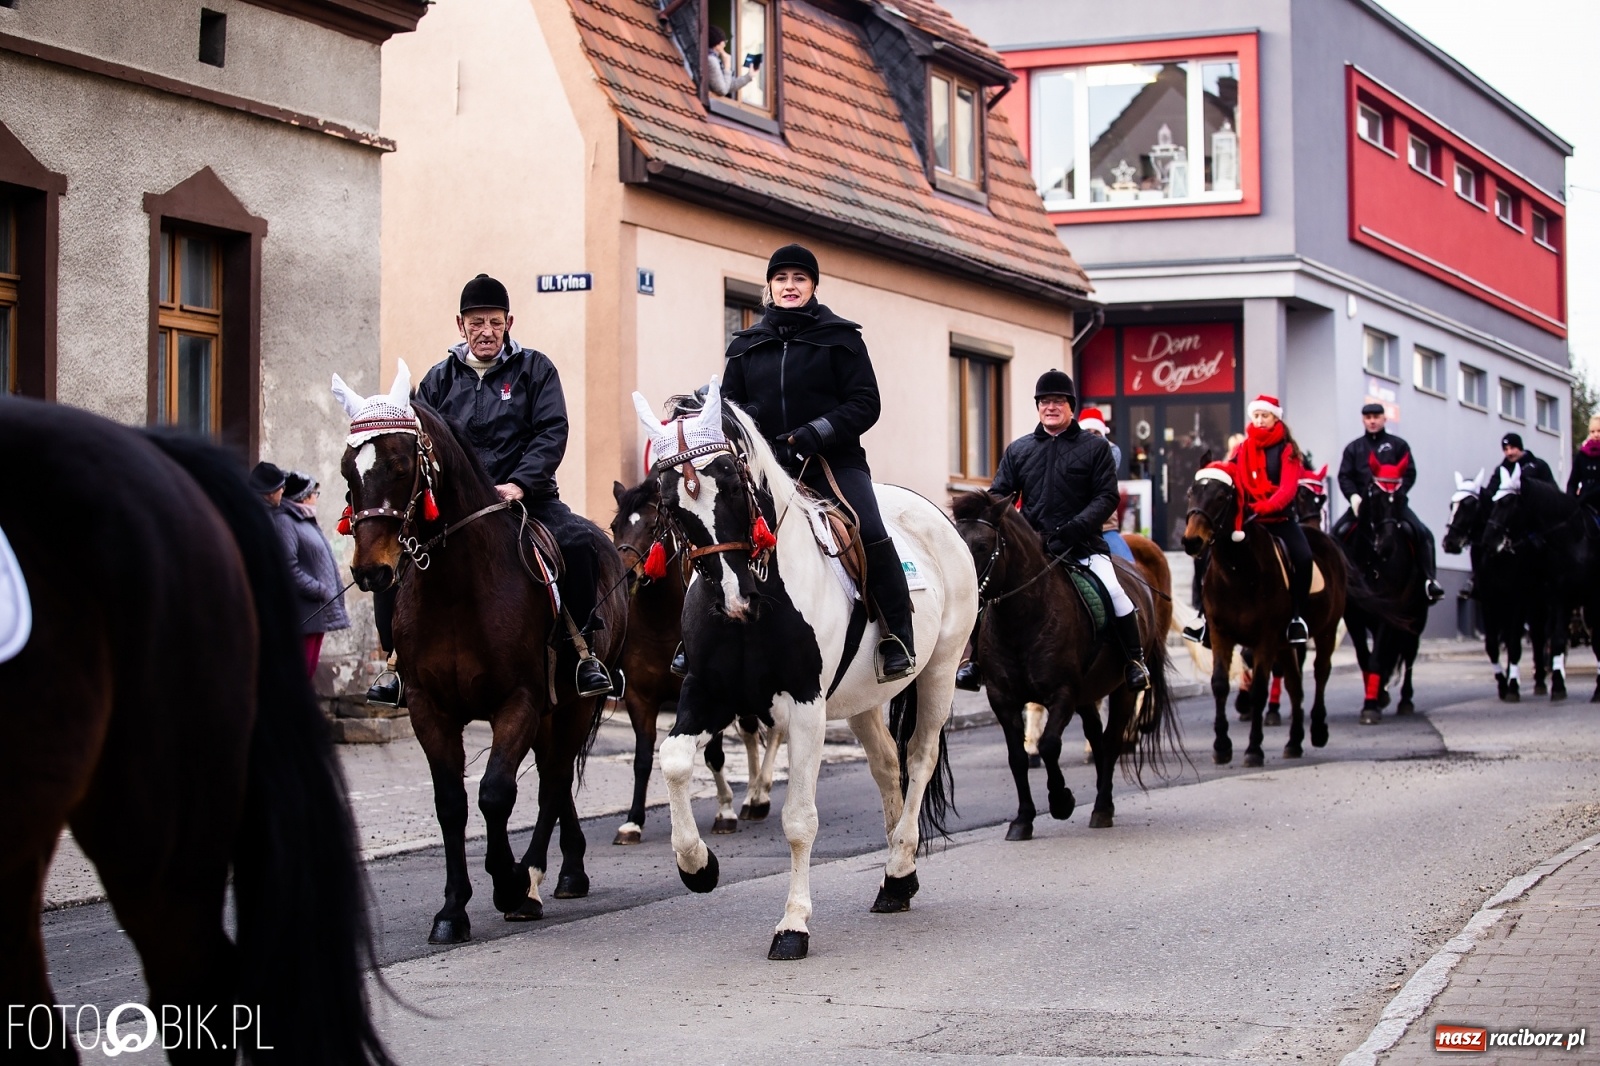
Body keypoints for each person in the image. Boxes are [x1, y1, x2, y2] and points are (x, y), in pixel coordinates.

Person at [413, 273, 615, 698]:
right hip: (458, 509)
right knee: (401, 554)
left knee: (579, 543)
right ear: (460, 324)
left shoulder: (535, 369)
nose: (485, 331)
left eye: (494, 322)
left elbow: (551, 431)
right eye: (476, 322)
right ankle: (397, 663)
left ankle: (583, 654)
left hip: (529, 499)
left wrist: (521, 483)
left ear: (509, 322)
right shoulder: (437, 380)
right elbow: (423, 444)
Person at [722, 244, 915, 683]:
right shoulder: (746, 346)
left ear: (813, 286)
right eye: (781, 279)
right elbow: (732, 407)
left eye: (800, 279)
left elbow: (866, 403)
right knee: (719, 528)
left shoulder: (841, 338)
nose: (790, 286)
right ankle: (699, 635)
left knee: (869, 527)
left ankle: (896, 633)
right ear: (769, 287)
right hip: (767, 465)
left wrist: (817, 432)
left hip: (834, 460)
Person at [959, 370, 1150, 693]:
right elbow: (999, 494)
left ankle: (1134, 661)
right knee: (985, 597)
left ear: (1070, 406)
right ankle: (975, 663)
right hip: (1033, 550)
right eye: (1044, 401)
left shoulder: (1095, 448)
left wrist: (1073, 530)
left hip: (1083, 546)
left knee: (1116, 593)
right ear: (1038, 407)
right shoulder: (1019, 450)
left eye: (1058, 401)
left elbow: (1106, 498)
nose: (1051, 407)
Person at [1333, 402, 1445, 603]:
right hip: (1362, 508)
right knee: (1336, 534)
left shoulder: (1399, 445)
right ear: (1363, 420)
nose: (1372, 421)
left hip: (1392, 507)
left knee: (1422, 533)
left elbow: (1409, 472)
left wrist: (1397, 495)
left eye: (1376, 417)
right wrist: (1353, 497)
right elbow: (1344, 476)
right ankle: (1335, 584)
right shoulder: (1353, 448)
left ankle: (1429, 580)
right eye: (1368, 417)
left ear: (1384, 419)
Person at [1234, 394, 1313, 644]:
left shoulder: (1288, 450)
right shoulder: (1243, 448)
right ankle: (1206, 616)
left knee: (1304, 557)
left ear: (1274, 418)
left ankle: (1297, 617)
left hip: (1280, 520)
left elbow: (1288, 490)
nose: (1259, 420)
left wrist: (1264, 507)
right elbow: (1234, 476)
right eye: (1256, 416)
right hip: (1250, 520)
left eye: (1264, 416)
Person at [276, 472, 350, 678]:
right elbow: (288, 567)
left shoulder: (304, 520)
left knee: (308, 670)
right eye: (314, 493)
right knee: (299, 671)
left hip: (316, 610)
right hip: (305, 609)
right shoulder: (286, 522)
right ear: (303, 496)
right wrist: (319, 589)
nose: (316, 497)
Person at [1076, 406, 1134, 562]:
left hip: (1105, 527)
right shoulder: (1068, 452)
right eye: (1087, 432)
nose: (1092, 437)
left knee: (1130, 568)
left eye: (1096, 433)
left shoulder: (1112, 451)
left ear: (1103, 435)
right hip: (1073, 528)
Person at [706, 24, 755, 98]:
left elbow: (727, 85)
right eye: (724, 42)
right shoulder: (711, 60)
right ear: (718, 43)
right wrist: (727, 66)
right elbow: (722, 90)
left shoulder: (714, 59)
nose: (725, 45)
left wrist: (749, 76)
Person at [1567, 415, 1600, 509]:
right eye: (1593, 431)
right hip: (1583, 503)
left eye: (1599, 431)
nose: (1596, 434)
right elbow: (1572, 482)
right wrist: (1571, 500)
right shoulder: (1582, 455)